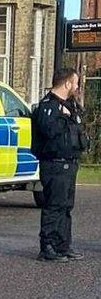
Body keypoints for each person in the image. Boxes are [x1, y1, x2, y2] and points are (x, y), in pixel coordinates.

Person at [31, 68, 90, 262]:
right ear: (67, 83)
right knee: (54, 206)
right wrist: (63, 116)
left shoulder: (70, 106)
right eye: (75, 83)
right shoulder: (48, 106)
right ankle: (48, 247)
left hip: (69, 163)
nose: (77, 87)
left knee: (66, 207)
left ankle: (63, 245)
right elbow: (49, 131)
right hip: (54, 164)